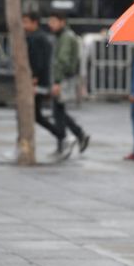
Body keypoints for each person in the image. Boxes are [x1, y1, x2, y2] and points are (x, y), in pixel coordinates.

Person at [22, 12, 72, 158]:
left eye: (26, 22)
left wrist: (35, 78)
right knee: (38, 115)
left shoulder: (37, 38)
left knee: (36, 114)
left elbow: (40, 61)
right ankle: (63, 137)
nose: (24, 25)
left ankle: (64, 137)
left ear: (34, 22)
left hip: (38, 82)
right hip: (42, 81)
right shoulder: (41, 37)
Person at [48, 11, 90, 158]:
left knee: (58, 112)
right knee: (58, 112)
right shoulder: (63, 36)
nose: (50, 25)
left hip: (63, 80)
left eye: (53, 21)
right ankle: (77, 135)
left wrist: (57, 81)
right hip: (63, 79)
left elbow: (63, 61)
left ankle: (66, 142)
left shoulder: (66, 37)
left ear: (62, 22)